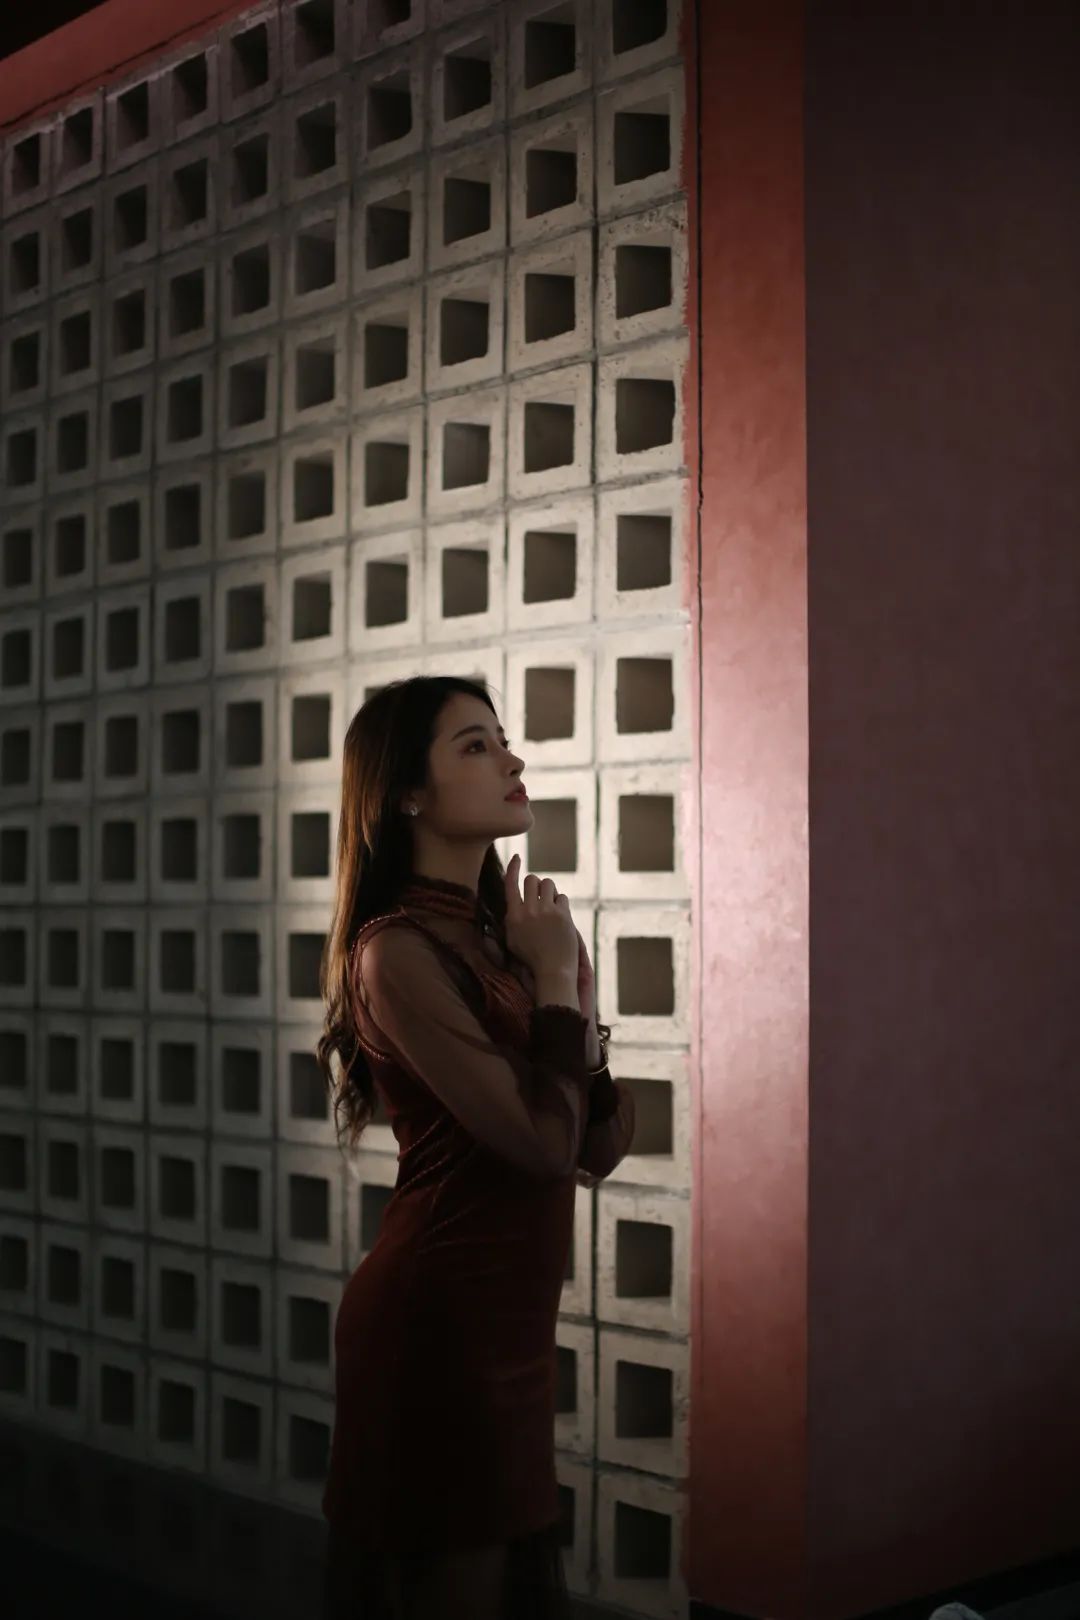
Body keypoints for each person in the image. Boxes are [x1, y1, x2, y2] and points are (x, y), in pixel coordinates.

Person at [316, 675, 636, 1620]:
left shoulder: (507, 939)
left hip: (509, 1329)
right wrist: (553, 988)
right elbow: (544, 1149)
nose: (512, 758)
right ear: (407, 794)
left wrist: (570, 995)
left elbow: (601, 1146)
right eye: (475, 746)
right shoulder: (395, 952)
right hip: (436, 1327)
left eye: (503, 739)